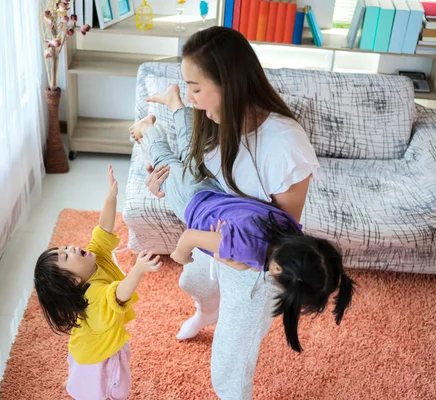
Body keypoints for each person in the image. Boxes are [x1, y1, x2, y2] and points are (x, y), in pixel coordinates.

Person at [142, 26, 350, 399]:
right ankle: (207, 312)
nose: (190, 98)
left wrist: (242, 259)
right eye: (186, 88)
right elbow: (203, 178)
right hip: (216, 235)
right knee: (193, 283)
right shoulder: (214, 121)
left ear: (228, 83)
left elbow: (283, 230)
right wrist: (162, 184)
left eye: (195, 87)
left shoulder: (284, 145)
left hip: (251, 263)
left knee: (229, 363)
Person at [130, 114, 355, 353]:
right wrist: (180, 256)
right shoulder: (247, 248)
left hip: (213, 191)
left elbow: (244, 257)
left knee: (187, 156)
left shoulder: (288, 228)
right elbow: (190, 237)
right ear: (277, 270)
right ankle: (148, 129)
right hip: (190, 203)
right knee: (165, 161)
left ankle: (177, 108)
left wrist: (230, 259)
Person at [34, 165, 161, 400]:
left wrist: (111, 196)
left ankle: (77, 380)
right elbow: (119, 295)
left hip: (88, 343)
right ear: (73, 280)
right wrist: (139, 269)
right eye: (65, 256)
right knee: (115, 390)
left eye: (64, 248)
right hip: (99, 355)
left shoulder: (94, 258)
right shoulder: (92, 295)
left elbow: (103, 228)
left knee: (86, 378)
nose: (71, 247)